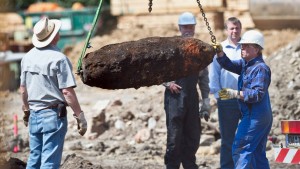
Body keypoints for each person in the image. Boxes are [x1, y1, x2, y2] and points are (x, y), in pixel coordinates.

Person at [20, 17, 88, 169]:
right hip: (52, 116)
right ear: (54, 36)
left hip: (34, 115)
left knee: (35, 158)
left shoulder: (27, 57)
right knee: (49, 162)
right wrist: (80, 115)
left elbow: (23, 90)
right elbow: (67, 92)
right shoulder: (59, 59)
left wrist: (26, 111)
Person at [213, 30, 273, 169]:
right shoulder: (247, 64)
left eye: (246, 45)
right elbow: (229, 65)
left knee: (241, 149)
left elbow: (257, 94)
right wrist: (220, 52)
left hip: (255, 116)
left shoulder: (260, 68)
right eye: (242, 45)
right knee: (257, 154)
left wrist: (235, 93)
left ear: (256, 49)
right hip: (259, 115)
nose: (242, 48)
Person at [163, 12, 210, 169]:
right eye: (185, 27)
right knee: (174, 138)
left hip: (191, 96)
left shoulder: (199, 50)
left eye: (191, 26)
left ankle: (190, 166)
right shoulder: (171, 48)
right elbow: (158, 71)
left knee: (192, 136)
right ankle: (172, 166)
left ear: (195, 27)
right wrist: (168, 83)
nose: (188, 30)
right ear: (180, 28)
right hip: (174, 97)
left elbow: (203, 78)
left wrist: (206, 101)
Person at [209, 17, 242, 169]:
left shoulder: (247, 47)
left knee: (248, 138)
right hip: (227, 98)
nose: (234, 31)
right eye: (231, 28)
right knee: (228, 140)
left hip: (246, 98)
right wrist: (218, 96)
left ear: (240, 29)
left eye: (237, 28)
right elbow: (214, 75)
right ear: (226, 30)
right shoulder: (219, 49)